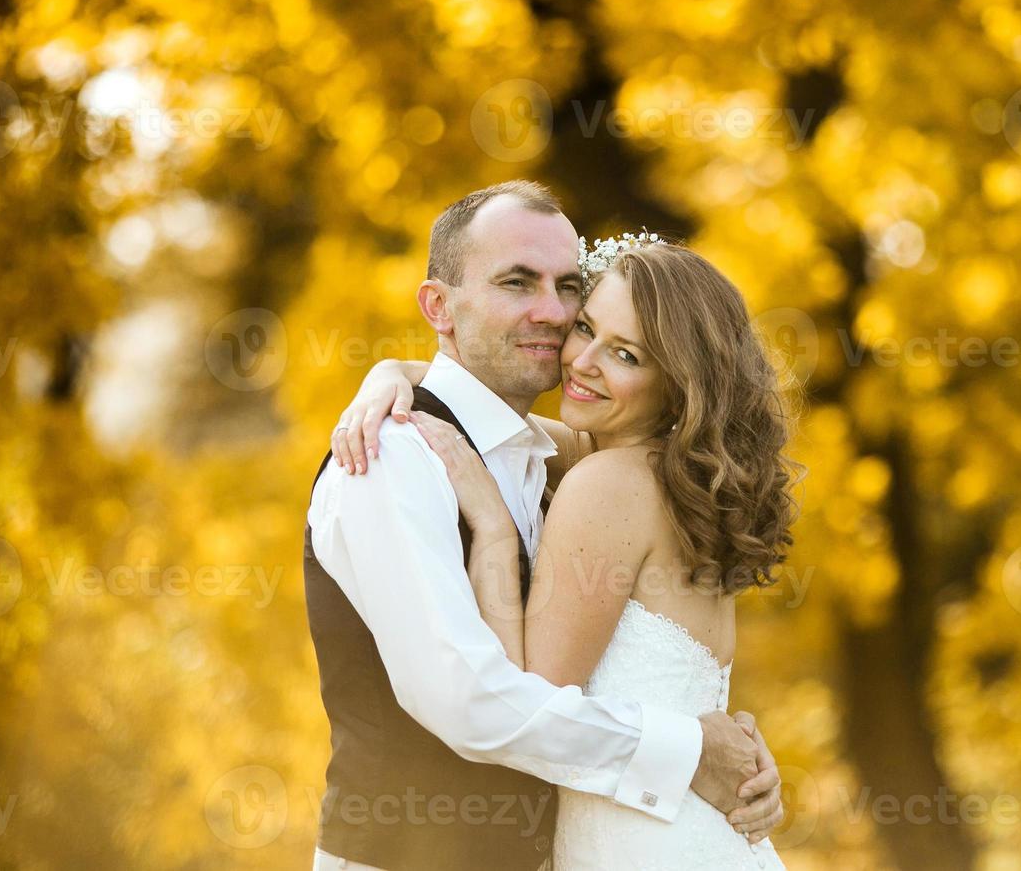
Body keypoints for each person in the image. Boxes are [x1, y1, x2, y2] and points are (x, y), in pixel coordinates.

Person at [305, 181, 786, 871]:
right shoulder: (392, 453)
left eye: (567, 289)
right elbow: (473, 702)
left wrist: (708, 749)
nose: (555, 317)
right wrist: (690, 750)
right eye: (516, 282)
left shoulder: (568, 461)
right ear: (438, 305)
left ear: (677, 380)